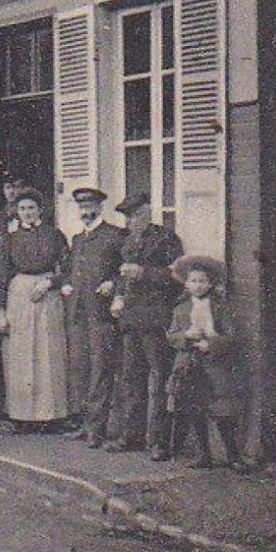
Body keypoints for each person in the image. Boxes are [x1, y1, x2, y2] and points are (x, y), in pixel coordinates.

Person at [107, 193, 185, 457]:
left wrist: (145, 273)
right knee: (132, 379)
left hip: (156, 319)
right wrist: (118, 295)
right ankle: (132, 436)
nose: (130, 222)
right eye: (127, 217)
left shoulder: (166, 239)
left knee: (160, 379)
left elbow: (178, 277)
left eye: (135, 215)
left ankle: (159, 442)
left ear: (147, 213)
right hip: (131, 319)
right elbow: (121, 275)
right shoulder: (127, 241)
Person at [166, 255, 252, 472]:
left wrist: (211, 345)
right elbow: (171, 336)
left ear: (211, 283)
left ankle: (233, 455)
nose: (197, 285)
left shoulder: (220, 307)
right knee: (195, 409)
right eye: (193, 281)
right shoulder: (180, 308)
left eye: (202, 281)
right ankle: (204, 454)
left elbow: (232, 336)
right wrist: (187, 335)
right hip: (189, 363)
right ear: (186, 283)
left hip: (215, 364)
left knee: (222, 410)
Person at [0, 187, 69, 428]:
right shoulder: (9, 239)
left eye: (31, 208)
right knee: (21, 354)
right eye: (23, 209)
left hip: (47, 294)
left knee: (49, 351)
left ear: (40, 210)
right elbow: (1, 275)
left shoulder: (55, 236)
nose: (27, 212)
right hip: (19, 296)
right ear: (16, 212)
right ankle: (22, 415)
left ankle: (51, 414)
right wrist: (1, 311)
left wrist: (50, 282)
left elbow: (68, 269)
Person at [60, 186, 124, 445]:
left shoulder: (114, 236)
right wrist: (66, 282)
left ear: (100, 207)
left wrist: (113, 283)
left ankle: (97, 428)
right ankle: (85, 423)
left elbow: (123, 269)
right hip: (78, 312)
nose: (86, 211)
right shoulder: (77, 239)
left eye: (90, 206)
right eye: (82, 207)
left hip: (101, 313)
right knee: (81, 369)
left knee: (100, 370)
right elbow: (68, 269)